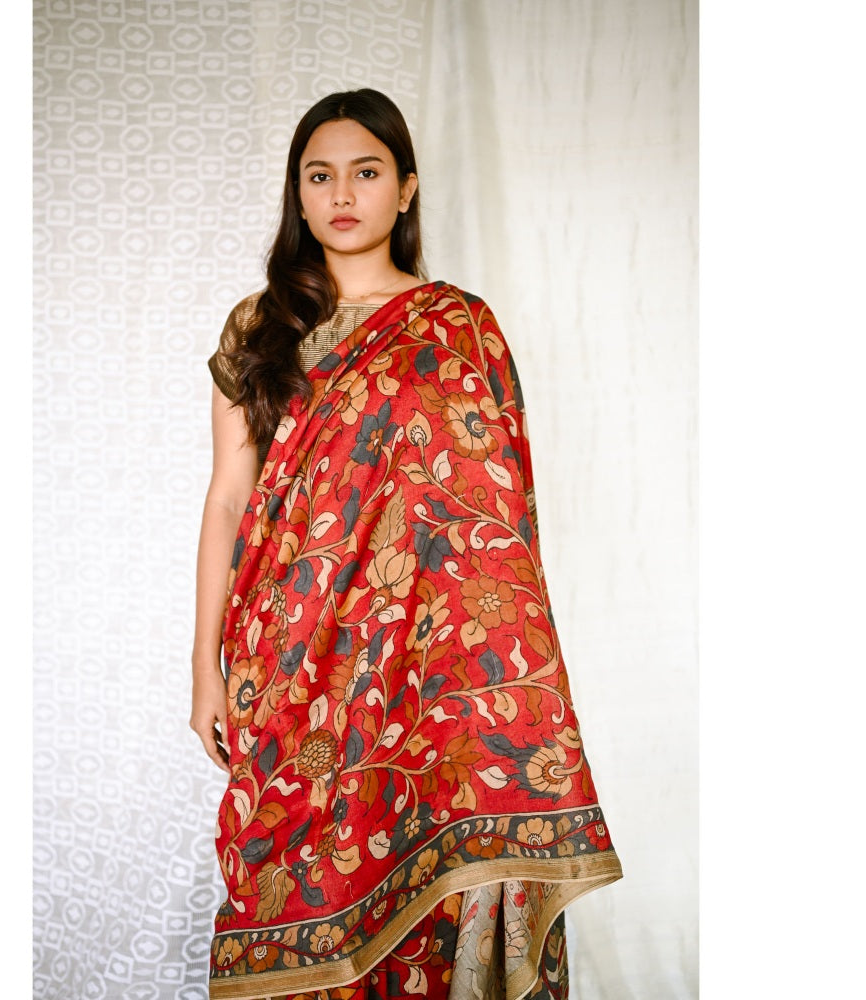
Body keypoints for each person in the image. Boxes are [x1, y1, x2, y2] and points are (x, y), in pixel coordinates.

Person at [191, 89, 621, 1000]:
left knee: (424, 868)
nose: (343, 194)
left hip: (422, 663)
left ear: (407, 188)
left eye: (367, 171)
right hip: (287, 652)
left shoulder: (457, 326)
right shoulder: (258, 328)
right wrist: (204, 667)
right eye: (320, 176)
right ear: (298, 195)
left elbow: (492, 516)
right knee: (284, 866)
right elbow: (229, 498)